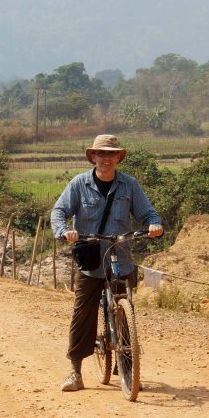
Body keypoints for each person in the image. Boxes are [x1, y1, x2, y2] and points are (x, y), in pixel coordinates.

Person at [51, 134, 163, 392]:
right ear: (93, 157)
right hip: (90, 259)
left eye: (111, 154)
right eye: (101, 154)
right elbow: (59, 212)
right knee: (83, 314)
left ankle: (126, 367)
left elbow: (147, 212)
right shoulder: (79, 184)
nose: (106, 158)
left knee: (126, 312)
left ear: (118, 158)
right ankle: (75, 372)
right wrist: (64, 231)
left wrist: (153, 224)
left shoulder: (129, 185)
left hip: (121, 257)